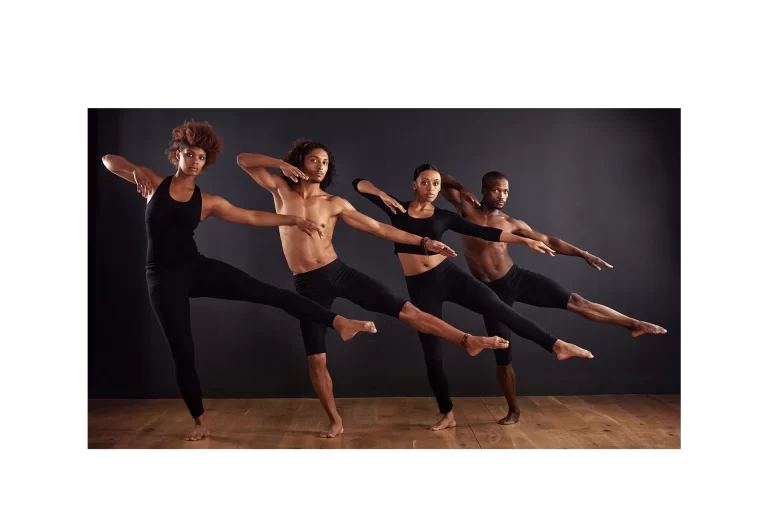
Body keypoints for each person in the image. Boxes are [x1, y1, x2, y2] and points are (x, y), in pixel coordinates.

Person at [100, 121, 378, 441]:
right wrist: (135, 169)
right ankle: (200, 422)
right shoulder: (152, 183)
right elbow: (108, 159)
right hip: (162, 279)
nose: (195, 161)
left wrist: (294, 219)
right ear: (177, 154)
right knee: (182, 351)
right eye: (190, 154)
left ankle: (340, 322)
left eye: (201, 157)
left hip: (197, 268)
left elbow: (252, 216)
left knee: (270, 293)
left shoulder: (208, 202)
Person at [236, 139, 510, 438]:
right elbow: (243, 160)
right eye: (314, 160)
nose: (321, 166)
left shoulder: (334, 203)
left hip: (337, 272)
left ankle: (467, 340)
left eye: (325, 162)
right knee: (316, 359)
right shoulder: (280, 189)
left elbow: (378, 228)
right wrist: (280, 164)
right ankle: (335, 420)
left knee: (407, 310)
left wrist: (423, 241)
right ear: (300, 161)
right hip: (307, 283)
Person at [352, 164, 596, 431]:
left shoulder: (444, 216)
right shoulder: (396, 208)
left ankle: (556, 345)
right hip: (421, 287)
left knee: (500, 309)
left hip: (450, 277)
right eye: (425, 182)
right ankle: (447, 414)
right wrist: (381, 194)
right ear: (414, 185)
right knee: (432, 352)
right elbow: (358, 183)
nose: (431, 188)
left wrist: (524, 240)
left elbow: (485, 232)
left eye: (436, 184)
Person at [427, 169, 668, 424]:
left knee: (577, 302)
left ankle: (633, 324)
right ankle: (513, 410)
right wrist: (461, 187)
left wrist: (583, 253)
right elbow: (436, 175)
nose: (502, 196)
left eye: (506, 191)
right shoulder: (465, 208)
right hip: (489, 293)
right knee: (503, 355)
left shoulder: (512, 223)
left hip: (515, 279)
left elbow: (549, 240)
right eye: (496, 190)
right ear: (484, 191)